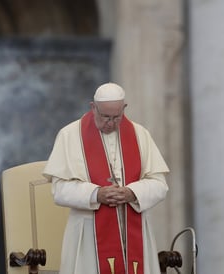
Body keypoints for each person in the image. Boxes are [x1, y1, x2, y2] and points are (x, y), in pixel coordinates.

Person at [43, 83, 169, 274]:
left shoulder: (140, 135)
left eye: (116, 117)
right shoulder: (70, 135)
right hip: (88, 235)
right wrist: (96, 194)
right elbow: (59, 190)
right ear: (93, 107)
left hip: (133, 231)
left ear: (124, 109)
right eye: (105, 117)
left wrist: (132, 192)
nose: (110, 123)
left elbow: (160, 185)